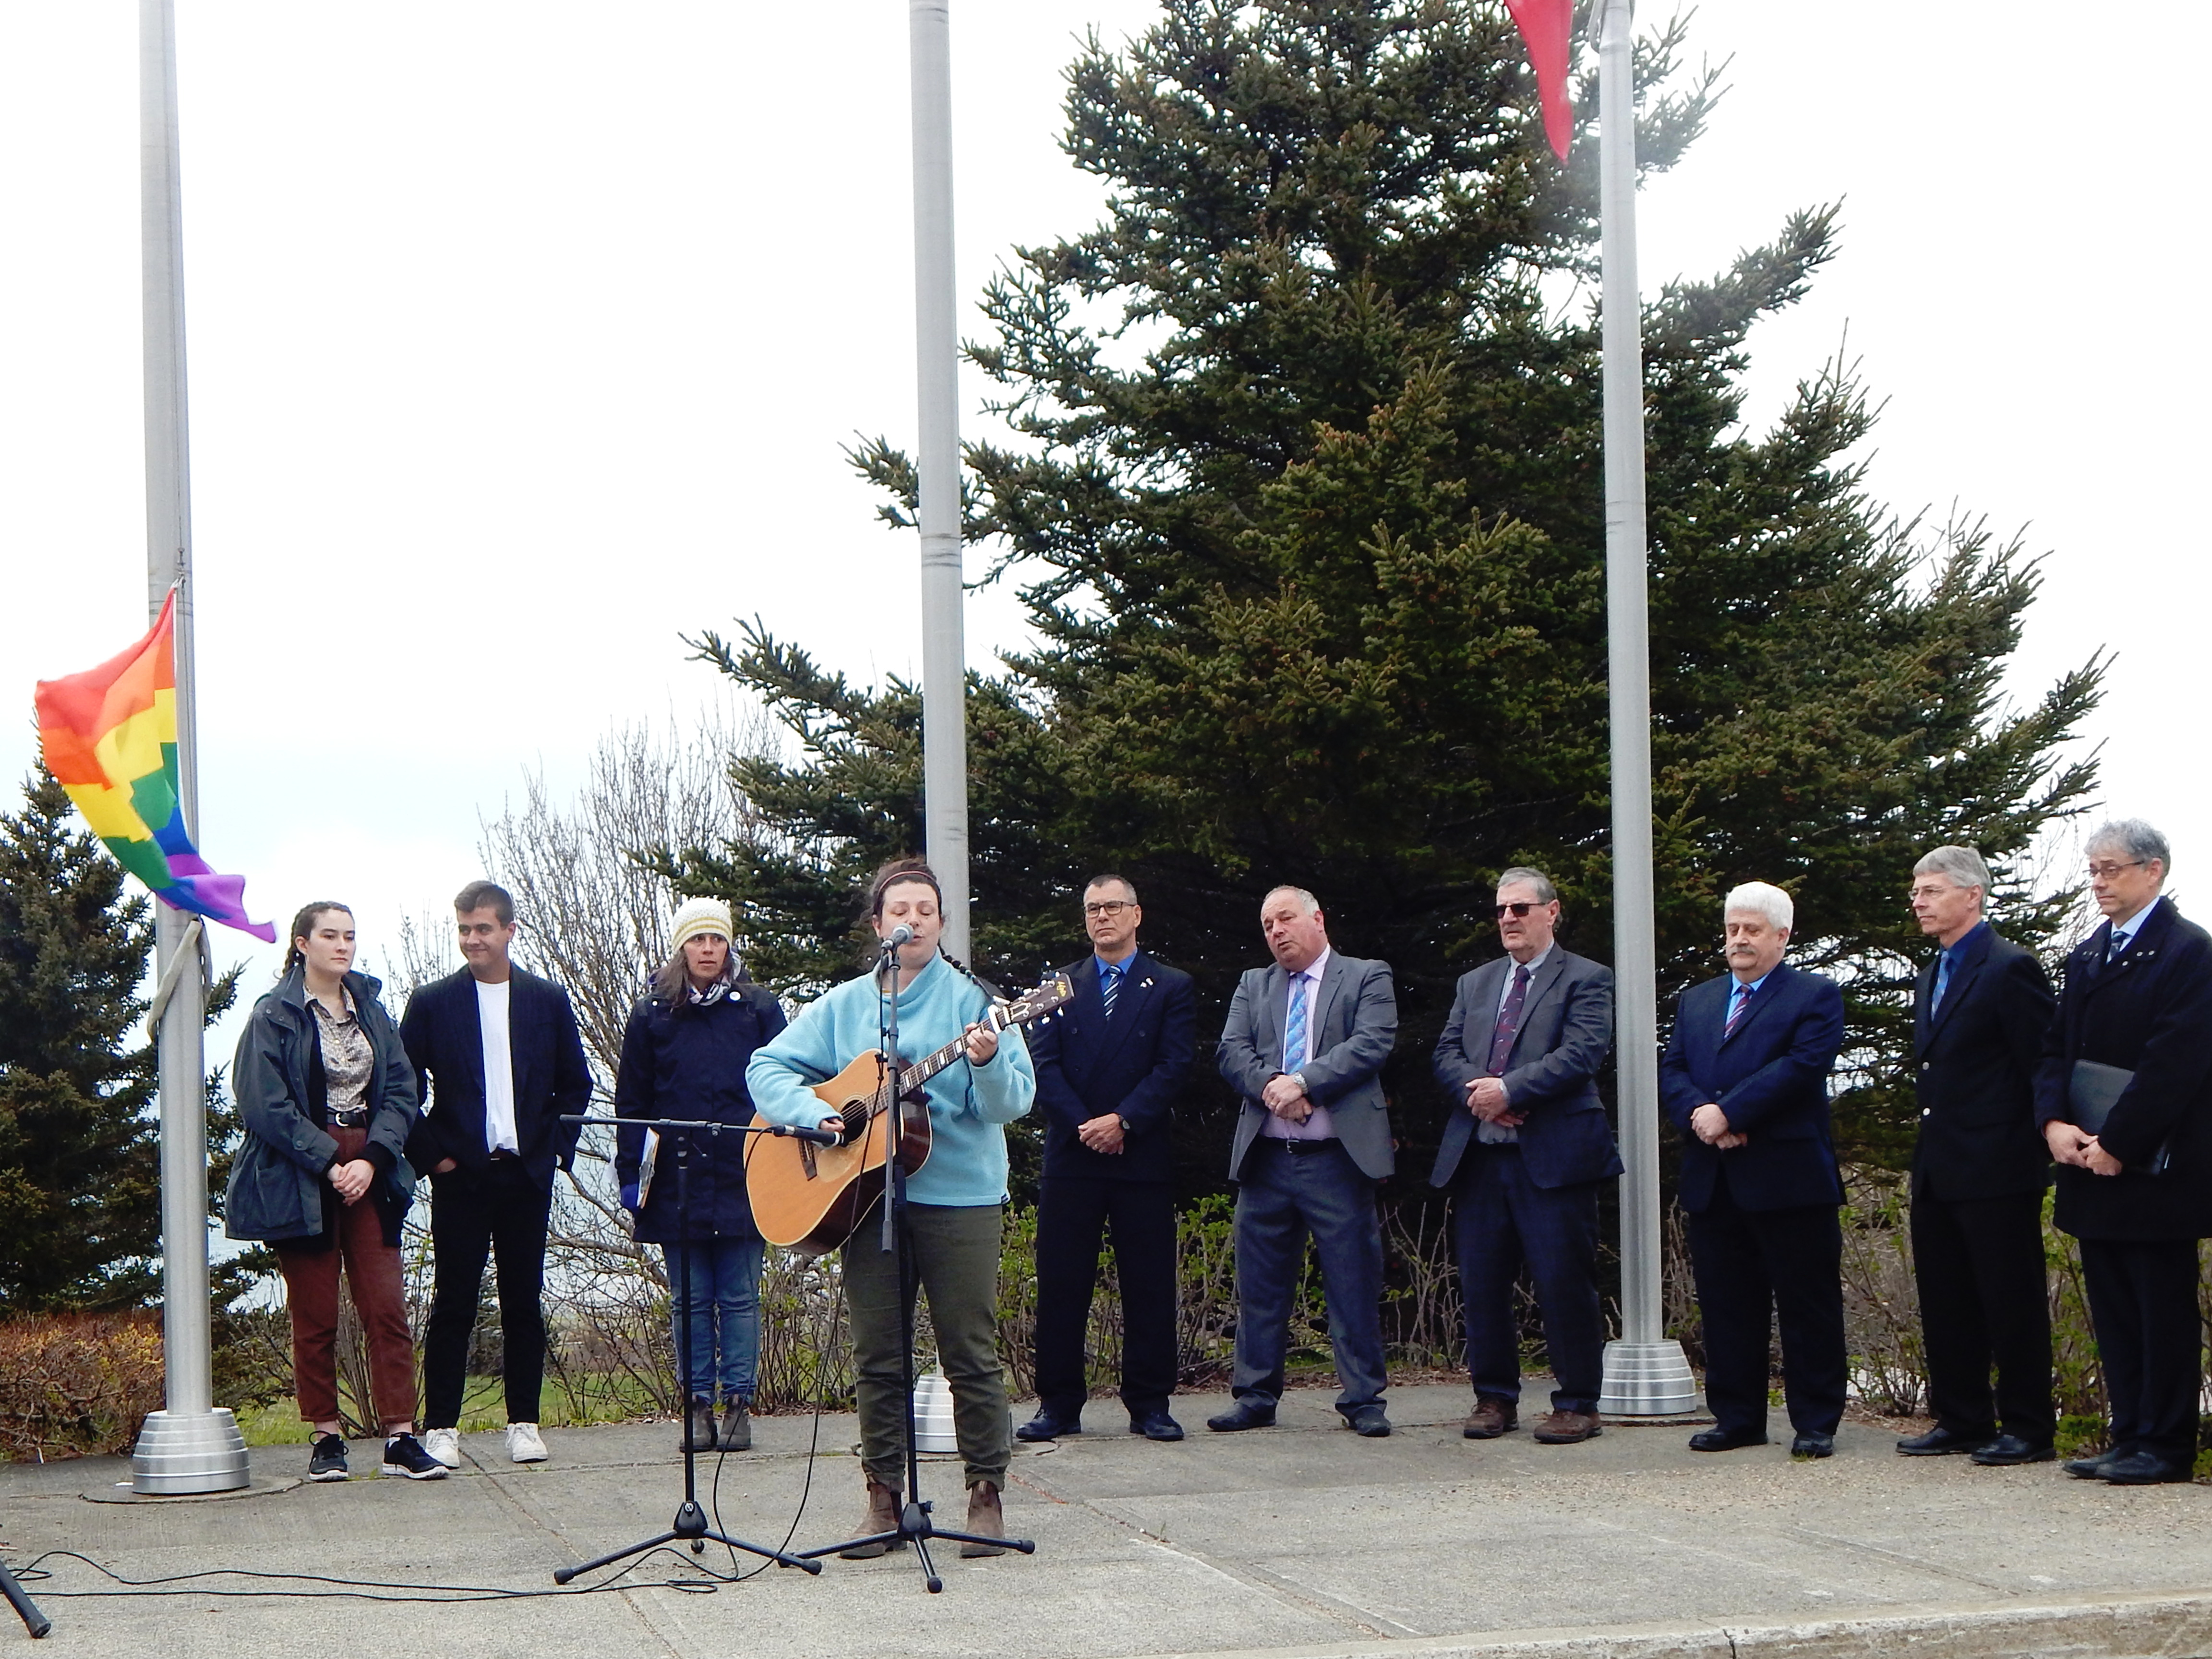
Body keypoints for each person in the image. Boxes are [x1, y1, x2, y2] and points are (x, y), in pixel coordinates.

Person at [748, 859, 1036, 1558]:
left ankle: (986, 1496)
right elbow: (766, 1066)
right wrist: (816, 1119)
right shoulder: (846, 1003)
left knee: (969, 1350)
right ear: (878, 925)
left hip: (960, 1197)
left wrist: (989, 1058)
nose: (913, 920)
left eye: (927, 910)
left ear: (941, 924)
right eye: (899, 909)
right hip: (867, 1199)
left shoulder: (977, 1002)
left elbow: (1012, 1103)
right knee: (877, 1353)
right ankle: (882, 1498)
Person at [225, 902, 445, 1482]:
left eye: (349, 936)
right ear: (303, 944)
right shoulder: (273, 1014)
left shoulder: (372, 1009)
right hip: (302, 1173)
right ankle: (326, 1436)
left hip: (371, 1165)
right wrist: (328, 1162)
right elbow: (263, 1104)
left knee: (386, 1306)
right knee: (316, 1313)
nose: (342, 946)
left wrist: (372, 1159)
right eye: (330, 936)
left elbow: (402, 1090)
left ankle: (401, 1436)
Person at [2036, 821, 2212, 1486]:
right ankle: (2128, 1432)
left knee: (2160, 1307)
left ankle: (2165, 1444)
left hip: (2157, 1167)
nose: (2100, 883)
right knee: (2112, 1305)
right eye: (2094, 871)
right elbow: (2055, 1048)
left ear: (2153, 871)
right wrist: (2054, 1123)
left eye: (2112, 869)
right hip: (2087, 1157)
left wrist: (2121, 1143)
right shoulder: (2088, 955)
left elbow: (2176, 1063)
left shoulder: (2188, 952)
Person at [399, 880, 593, 1469]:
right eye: (463, 929)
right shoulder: (432, 1003)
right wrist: (436, 1157)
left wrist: (552, 1154)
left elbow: (575, 1084)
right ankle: (442, 1429)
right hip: (460, 1177)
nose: (472, 940)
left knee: (523, 1303)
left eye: (483, 929)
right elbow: (403, 1088)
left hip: (526, 1176)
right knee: (453, 1302)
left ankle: (524, 1423)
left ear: (509, 930)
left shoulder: (546, 999)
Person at [1430, 868, 1619, 1445]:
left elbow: (1583, 1052)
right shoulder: (1476, 983)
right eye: (1501, 911)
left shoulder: (1587, 978)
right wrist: (1482, 1094)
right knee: (1483, 1284)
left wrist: (1510, 1091)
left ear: (1551, 912)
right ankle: (1494, 1399)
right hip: (1483, 1159)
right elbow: (1445, 1052)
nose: (1508, 919)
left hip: (1555, 1159)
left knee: (1563, 1282)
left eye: (1519, 909)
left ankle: (1578, 1403)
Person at [1659, 881, 1847, 1459]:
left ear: (1782, 937)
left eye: (1753, 930)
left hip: (1788, 1178)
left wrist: (1731, 1112)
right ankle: (1737, 1417)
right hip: (1715, 1178)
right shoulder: (1699, 1000)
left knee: (1805, 1305)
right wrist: (1700, 1115)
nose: (1739, 940)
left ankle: (1815, 1421)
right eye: (1733, 929)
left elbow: (1801, 1066)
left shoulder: (1815, 995)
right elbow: (1674, 1068)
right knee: (1725, 1305)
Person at [1211, 886, 1398, 1438]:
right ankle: (1255, 1395)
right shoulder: (1254, 984)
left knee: (1351, 1281)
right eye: (1268, 924)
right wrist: (1272, 1085)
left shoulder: (1366, 976)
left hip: (1336, 1160)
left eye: (1285, 919)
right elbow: (1231, 1049)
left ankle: (1363, 1398)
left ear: (1318, 918)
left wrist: (1305, 1083)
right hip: (1267, 1159)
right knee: (1260, 1286)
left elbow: (1372, 1042)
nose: (1276, 932)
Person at [1019, 874, 1196, 1443]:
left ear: (1136, 914)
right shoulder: (1059, 987)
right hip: (1073, 1156)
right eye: (1093, 909)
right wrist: (1085, 1126)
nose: (1103, 917)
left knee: (1148, 1283)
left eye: (1113, 907)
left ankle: (1150, 1403)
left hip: (1139, 1154)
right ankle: (1059, 1403)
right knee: (1063, 1283)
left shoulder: (1170, 985)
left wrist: (1123, 1121)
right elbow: (1042, 1067)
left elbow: (1173, 1065)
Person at [1896, 846, 2057, 1466]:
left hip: (1997, 1164)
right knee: (1947, 1298)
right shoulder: (1932, 972)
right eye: (1916, 891)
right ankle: (1962, 1418)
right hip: (1939, 1163)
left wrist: (2039, 1137)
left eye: (1931, 890)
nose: (1919, 901)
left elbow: (2039, 1062)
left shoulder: (2009, 968)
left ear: (1973, 896)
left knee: (2009, 1299)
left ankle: (2028, 1427)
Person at [614, 898, 788, 1455]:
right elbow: (632, 1099)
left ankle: (739, 1402)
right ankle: (697, 1403)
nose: (707, 950)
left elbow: (786, 1084)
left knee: (739, 1296)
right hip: (676, 1176)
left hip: (746, 1170)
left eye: (716, 940)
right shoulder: (652, 1014)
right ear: (681, 946)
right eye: (697, 940)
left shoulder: (759, 1009)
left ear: (729, 944)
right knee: (689, 1299)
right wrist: (629, 1173)